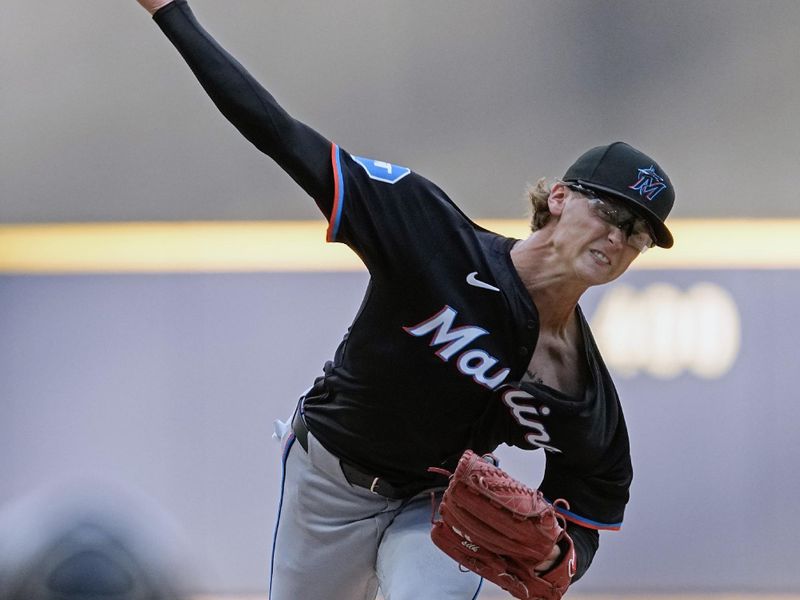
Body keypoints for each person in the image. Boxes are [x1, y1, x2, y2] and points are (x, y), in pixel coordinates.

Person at [134, 2, 676, 598]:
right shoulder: (430, 235)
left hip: (437, 510)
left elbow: (595, 493)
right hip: (328, 484)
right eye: (610, 212)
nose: (618, 237)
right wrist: (171, 13)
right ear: (559, 197)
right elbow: (281, 134)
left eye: (639, 233)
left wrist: (562, 556)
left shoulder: (579, 387)